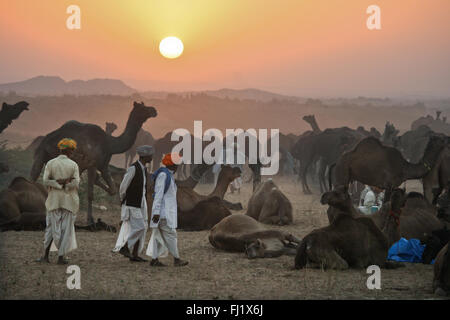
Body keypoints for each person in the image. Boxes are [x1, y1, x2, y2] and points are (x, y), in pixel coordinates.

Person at [38, 138, 80, 265]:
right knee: (65, 230)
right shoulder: (73, 165)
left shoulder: (51, 163)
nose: (73, 152)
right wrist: (65, 183)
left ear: (61, 149)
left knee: (50, 228)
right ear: (69, 151)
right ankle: (61, 258)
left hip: (54, 201)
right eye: (72, 150)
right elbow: (76, 182)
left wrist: (57, 183)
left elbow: (45, 181)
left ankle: (45, 256)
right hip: (69, 201)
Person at [146, 152, 188, 267]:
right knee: (171, 235)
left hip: (164, 212)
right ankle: (177, 259)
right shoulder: (163, 176)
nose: (178, 166)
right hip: (163, 213)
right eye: (177, 164)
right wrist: (156, 213)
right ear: (172, 165)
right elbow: (158, 195)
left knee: (157, 235)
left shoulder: (168, 175)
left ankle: (154, 260)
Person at [113, 145, 153, 262]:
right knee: (140, 227)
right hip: (132, 203)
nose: (152, 157)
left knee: (143, 228)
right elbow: (123, 186)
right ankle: (125, 247)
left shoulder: (143, 169)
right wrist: (123, 199)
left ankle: (135, 254)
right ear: (145, 156)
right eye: (150, 155)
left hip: (141, 202)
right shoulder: (133, 168)